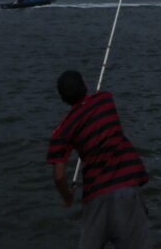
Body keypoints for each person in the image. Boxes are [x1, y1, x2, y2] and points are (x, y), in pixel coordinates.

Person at [48, 69, 151, 249]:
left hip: (95, 196)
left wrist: (68, 198)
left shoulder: (61, 131)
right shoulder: (105, 100)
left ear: (63, 98)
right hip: (127, 188)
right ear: (85, 85)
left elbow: (58, 176)